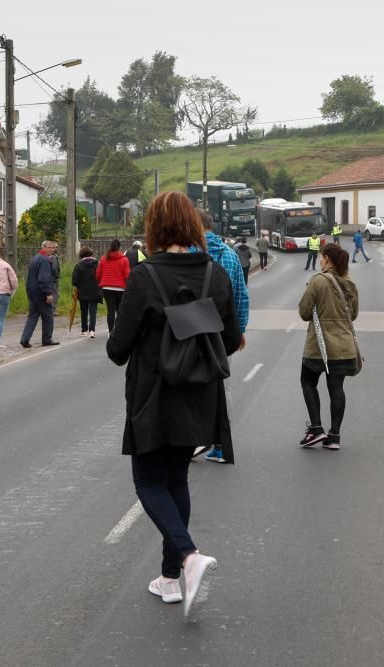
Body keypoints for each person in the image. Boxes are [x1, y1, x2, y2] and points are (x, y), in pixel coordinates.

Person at [106, 191, 242, 622]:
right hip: (200, 394)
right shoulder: (215, 275)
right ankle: (169, 579)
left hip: (154, 394)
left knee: (148, 481)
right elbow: (232, 338)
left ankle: (187, 555)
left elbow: (117, 348)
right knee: (177, 477)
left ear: (154, 227)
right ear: (192, 225)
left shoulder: (145, 276)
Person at [198, 211, 249, 463]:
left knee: (194, 384)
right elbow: (241, 294)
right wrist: (240, 330)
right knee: (221, 383)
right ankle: (219, 442)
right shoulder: (229, 254)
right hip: (223, 330)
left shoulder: (191, 255)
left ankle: (198, 437)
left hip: (194, 328)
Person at [297, 243, 359, 450]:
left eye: (321, 257)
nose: (320, 260)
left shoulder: (318, 281)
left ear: (326, 258)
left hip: (319, 345)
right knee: (336, 388)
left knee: (307, 381)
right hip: (343, 345)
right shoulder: (349, 282)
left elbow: (304, 313)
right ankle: (334, 436)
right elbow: (354, 314)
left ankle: (315, 428)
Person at [19, 240, 60, 348]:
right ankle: (47, 339)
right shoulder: (45, 260)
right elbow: (43, 278)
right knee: (48, 316)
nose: (52, 250)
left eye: (53, 248)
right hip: (41, 291)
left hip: (32, 290)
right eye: (49, 247)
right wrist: (48, 293)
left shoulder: (35, 258)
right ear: (44, 248)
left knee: (33, 315)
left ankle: (25, 339)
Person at [96, 239, 131, 334]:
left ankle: (110, 331)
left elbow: (98, 274)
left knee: (110, 310)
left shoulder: (104, 258)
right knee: (120, 310)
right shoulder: (124, 259)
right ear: (119, 247)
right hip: (120, 288)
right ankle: (119, 331)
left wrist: (101, 282)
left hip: (106, 288)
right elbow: (127, 275)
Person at [71, 246, 102, 338]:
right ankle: (92, 330)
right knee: (93, 311)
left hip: (83, 291)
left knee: (84, 311)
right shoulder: (98, 264)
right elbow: (101, 275)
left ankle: (84, 330)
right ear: (91, 253)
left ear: (81, 255)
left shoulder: (79, 265)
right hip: (95, 290)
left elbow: (74, 281)